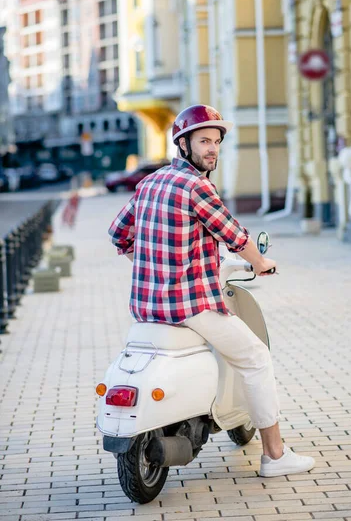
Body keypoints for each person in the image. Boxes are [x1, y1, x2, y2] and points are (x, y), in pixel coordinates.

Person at [108, 104, 315, 477]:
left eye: (217, 142)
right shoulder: (195, 186)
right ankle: (275, 455)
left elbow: (119, 234)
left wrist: (148, 262)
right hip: (190, 305)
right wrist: (261, 262)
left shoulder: (149, 183)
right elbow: (235, 236)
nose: (212, 149)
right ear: (183, 145)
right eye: (204, 140)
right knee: (254, 358)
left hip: (146, 307)